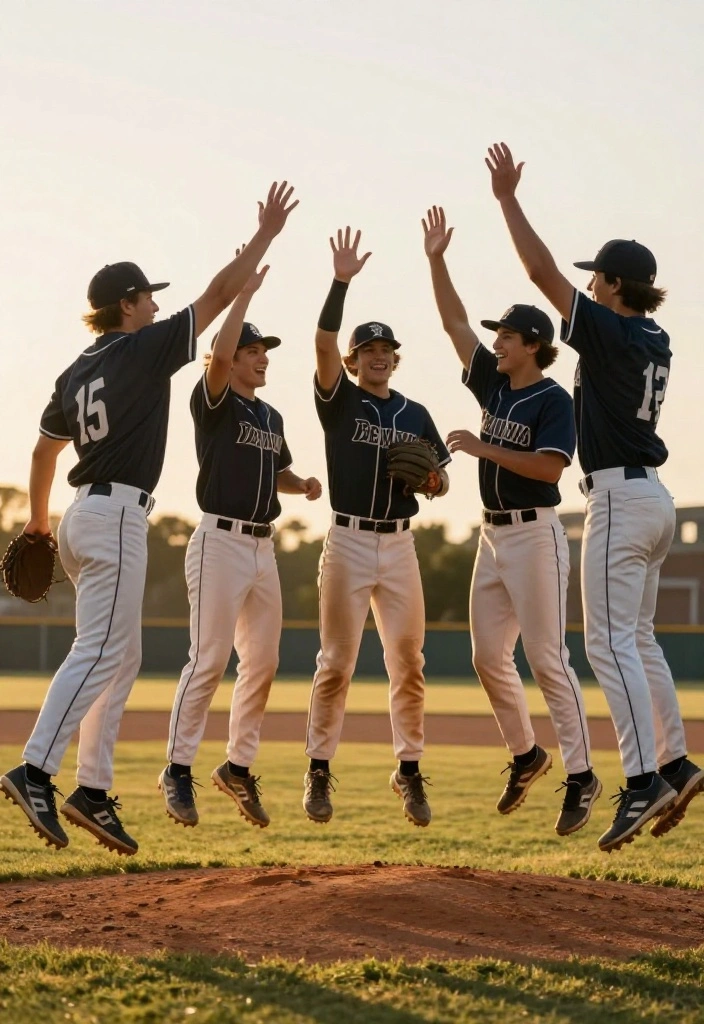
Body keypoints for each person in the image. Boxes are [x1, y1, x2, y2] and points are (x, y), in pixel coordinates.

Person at [0, 181, 298, 856]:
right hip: (115, 517)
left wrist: (38, 524)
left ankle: (92, 789)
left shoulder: (74, 372)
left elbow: (44, 451)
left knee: (121, 655)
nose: (158, 306)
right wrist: (265, 236)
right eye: (149, 298)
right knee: (101, 649)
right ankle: (34, 770)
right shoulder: (141, 351)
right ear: (127, 305)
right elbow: (216, 295)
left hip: (79, 515)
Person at [486, 141, 704, 852]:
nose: (589, 285)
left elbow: (540, 273)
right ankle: (675, 762)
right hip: (655, 499)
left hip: (618, 501)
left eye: (597, 278)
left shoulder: (611, 332)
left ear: (613, 284)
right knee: (638, 639)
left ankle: (642, 782)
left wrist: (508, 200)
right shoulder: (654, 336)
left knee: (608, 644)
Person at [423, 206, 598, 835]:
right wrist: (436, 260)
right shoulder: (495, 387)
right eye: (496, 335)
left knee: (547, 659)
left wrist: (483, 447)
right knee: (487, 657)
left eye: (506, 337)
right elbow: (453, 323)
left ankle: (582, 775)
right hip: (492, 536)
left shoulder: (553, 399)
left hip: (535, 535)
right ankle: (526, 755)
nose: (495, 342)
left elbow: (550, 469)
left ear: (532, 346)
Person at [159, 259, 320, 829]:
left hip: (262, 549)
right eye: (254, 350)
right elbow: (221, 358)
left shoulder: (271, 416)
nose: (262, 357)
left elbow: (277, 471)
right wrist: (242, 298)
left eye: (264, 351)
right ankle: (177, 769)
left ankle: (237, 766)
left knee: (263, 662)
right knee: (209, 659)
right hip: (220, 543)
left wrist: (300, 484)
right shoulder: (215, 400)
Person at [303, 227, 451, 829]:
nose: (378, 355)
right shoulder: (339, 400)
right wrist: (340, 282)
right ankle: (318, 769)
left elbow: (441, 480)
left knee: (408, 661)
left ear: (395, 357)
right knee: (337, 661)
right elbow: (321, 341)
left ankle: (408, 770)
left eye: (386, 348)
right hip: (347, 541)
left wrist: (434, 482)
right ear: (353, 360)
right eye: (367, 349)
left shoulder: (416, 413)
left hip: (399, 544)